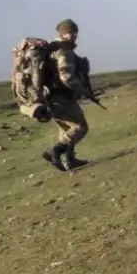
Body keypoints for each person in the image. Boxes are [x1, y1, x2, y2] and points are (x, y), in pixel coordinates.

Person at [43, 19, 91, 171]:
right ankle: (55, 151)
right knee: (80, 127)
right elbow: (66, 77)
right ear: (62, 33)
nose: (74, 35)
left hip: (49, 96)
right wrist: (81, 89)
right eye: (70, 32)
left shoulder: (51, 49)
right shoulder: (64, 50)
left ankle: (69, 160)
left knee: (66, 129)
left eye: (75, 32)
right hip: (61, 96)